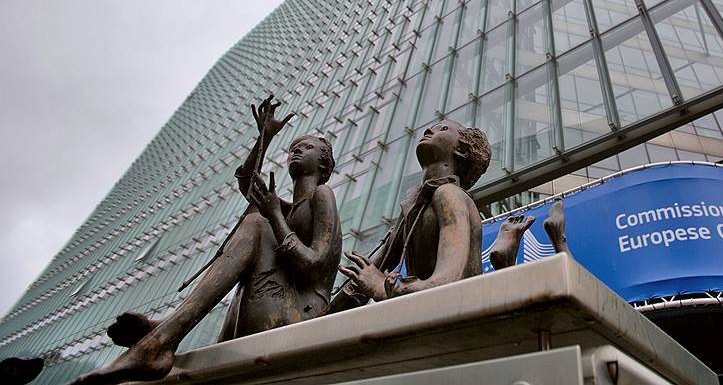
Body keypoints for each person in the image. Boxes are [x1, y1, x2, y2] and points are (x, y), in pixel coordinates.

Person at [70, 97, 341, 385]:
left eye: (307, 147)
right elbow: (249, 183)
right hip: (268, 307)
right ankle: (166, 331)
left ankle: (162, 338)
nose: (297, 149)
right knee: (257, 217)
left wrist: (273, 214)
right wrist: (264, 137)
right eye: (293, 147)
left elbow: (314, 265)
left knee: (258, 221)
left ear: (324, 163)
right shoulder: (285, 210)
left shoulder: (322, 195)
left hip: (302, 315)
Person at [334, 119, 490, 305]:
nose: (428, 129)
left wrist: (384, 288)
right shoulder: (415, 203)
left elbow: (447, 281)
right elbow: (376, 266)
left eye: (443, 129)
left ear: (461, 150)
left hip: (456, 312)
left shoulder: (449, 193)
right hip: (432, 311)